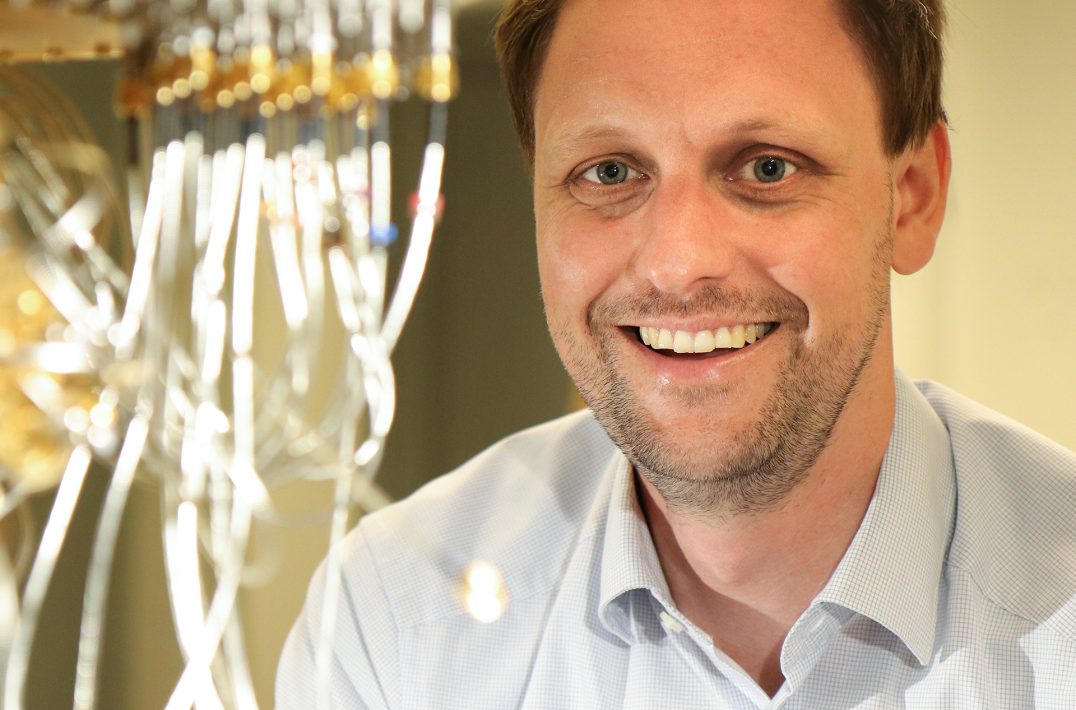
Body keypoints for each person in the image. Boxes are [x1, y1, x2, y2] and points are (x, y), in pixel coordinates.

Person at [277, 0, 1076, 707]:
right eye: (610, 173)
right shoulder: (396, 621)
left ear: (912, 198)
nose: (677, 260)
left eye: (767, 167)